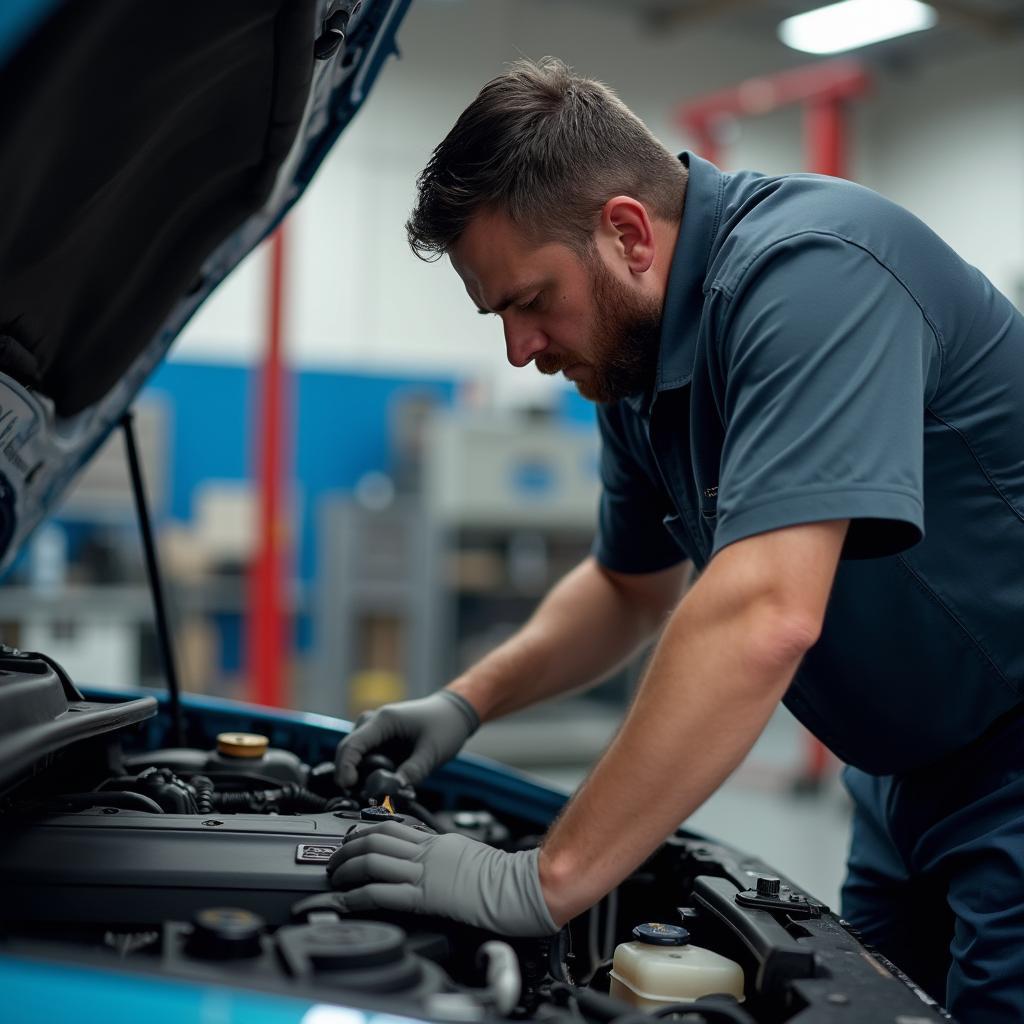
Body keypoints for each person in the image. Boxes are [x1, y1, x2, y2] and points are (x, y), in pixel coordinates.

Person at [327, 57, 1024, 1021]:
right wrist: (462, 703)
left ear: (627, 233)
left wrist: (539, 881)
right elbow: (627, 587)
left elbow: (764, 614)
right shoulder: (637, 366)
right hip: (901, 782)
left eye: (530, 300)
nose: (518, 350)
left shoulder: (814, 272)